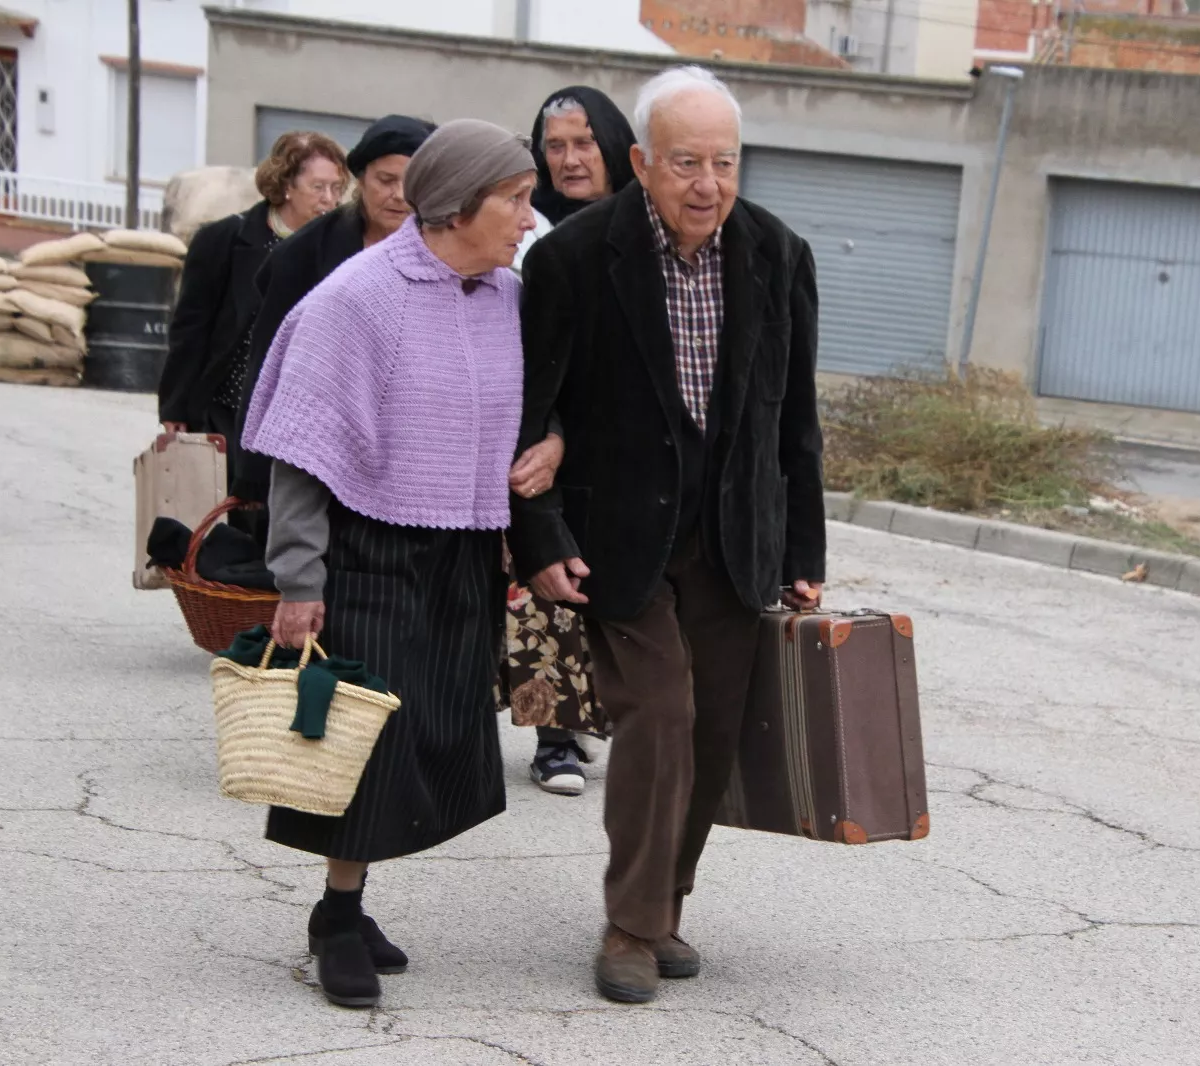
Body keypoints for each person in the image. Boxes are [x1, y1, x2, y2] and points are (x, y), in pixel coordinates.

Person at [510, 66, 826, 1005]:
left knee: (717, 731)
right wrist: (539, 534)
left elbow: (795, 421)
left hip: (736, 537)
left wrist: (804, 553)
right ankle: (630, 925)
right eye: (685, 162)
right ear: (640, 162)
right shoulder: (574, 260)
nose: (706, 184)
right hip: (618, 537)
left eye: (723, 163)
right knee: (661, 714)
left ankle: (666, 906)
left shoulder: (778, 253)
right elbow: (532, 412)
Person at [243, 119, 538, 1009]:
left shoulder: (507, 299)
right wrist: (299, 581)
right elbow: (301, 450)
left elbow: (538, 415)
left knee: (431, 735)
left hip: (463, 552)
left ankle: (354, 899)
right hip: (369, 549)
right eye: (517, 201)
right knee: (362, 745)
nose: (529, 220)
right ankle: (336, 916)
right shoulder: (359, 297)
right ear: (457, 205)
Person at [505, 86, 638, 797]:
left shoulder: (646, 226)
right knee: (545, 583)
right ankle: (551, 737)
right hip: (545, 431)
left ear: (613, 144)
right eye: (553, 145)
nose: (568, 158)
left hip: (624, 441)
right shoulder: (527, 229)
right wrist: (551, 436)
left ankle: (596, 712)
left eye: (583, 142)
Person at [230, 115, 436, 505]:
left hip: (408, 451)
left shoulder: (443, 253)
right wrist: (254, 476)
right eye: (385, 180)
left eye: (411, 182)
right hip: (318, 442)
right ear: (360, 180)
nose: (399, 195)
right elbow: (268, 360)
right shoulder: (305, 254)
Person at [159, 132, 348, 474]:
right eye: (318, 187)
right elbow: (191, 328)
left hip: (295, 420)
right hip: (225, 411)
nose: (330, 199)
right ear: (286, 184)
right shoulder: (223, 240)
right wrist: (175, 407)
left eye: (337, 188)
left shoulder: (339, 252)